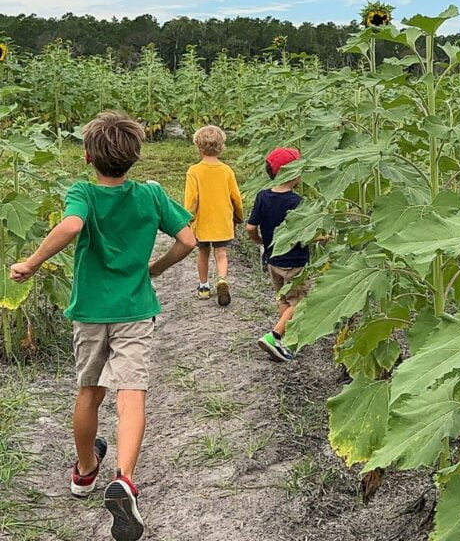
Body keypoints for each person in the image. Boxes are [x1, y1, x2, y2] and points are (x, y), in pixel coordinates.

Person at [10, 111, 195, 541]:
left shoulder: (84, 194)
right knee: (132, 394)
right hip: (135, 310)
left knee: (90, 392)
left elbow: (72, 225)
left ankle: (86, 471)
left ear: (88, 156)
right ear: (136, 155)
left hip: (91, 312)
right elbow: (188, 241)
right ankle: (125, 479)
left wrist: (32, 263)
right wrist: (156, 269)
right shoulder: (150, 194)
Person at [246, 147, 308, 362]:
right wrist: (322, 237)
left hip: (273, 260)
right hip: (295, 262)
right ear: (293, 173)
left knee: (284, 297)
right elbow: (303, 233)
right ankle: (274, 336)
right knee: (300, 301)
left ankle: (281, 344)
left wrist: (261, 242)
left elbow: (250, 228)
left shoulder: (262, 197)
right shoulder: (297, 202)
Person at [184, 125, 243, 306]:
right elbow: (235, 197)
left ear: (198, 147)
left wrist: (187, 218)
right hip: (222, 220)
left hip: (202, 221)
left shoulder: (194, 171)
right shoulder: (226, 170)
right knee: (221, 253)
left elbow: (191, 199)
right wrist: (238, 216)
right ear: (221, 146)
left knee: (203, 253)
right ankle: (222, 279)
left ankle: (203, 286)